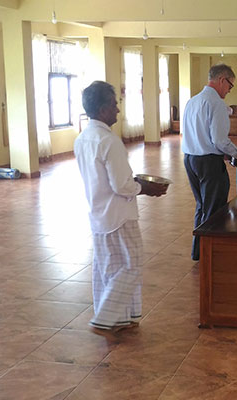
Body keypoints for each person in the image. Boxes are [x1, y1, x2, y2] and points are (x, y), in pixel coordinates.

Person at [74, 81, 168, 337]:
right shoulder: (109, 141)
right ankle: (105, 318)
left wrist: (133, 184)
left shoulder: (83, 138)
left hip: (98, 212)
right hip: (119, 214)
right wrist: (145, 188)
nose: (118, 110)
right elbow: (122, 185)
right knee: (132, 263)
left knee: (108, 265)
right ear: (104, 109)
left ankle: (123, 317)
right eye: (115, 104)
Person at [182, 64, 237, 260]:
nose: (229, 90)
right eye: (230, 85)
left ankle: (198, 251)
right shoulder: (217, 103)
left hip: (191, 159)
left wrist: (225, 154)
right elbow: (219, 140)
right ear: (222, 80)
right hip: (209, 163)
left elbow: (199, 135)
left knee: (202, 206)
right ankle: (209, 253)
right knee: (214, 209)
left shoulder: (192, 101)